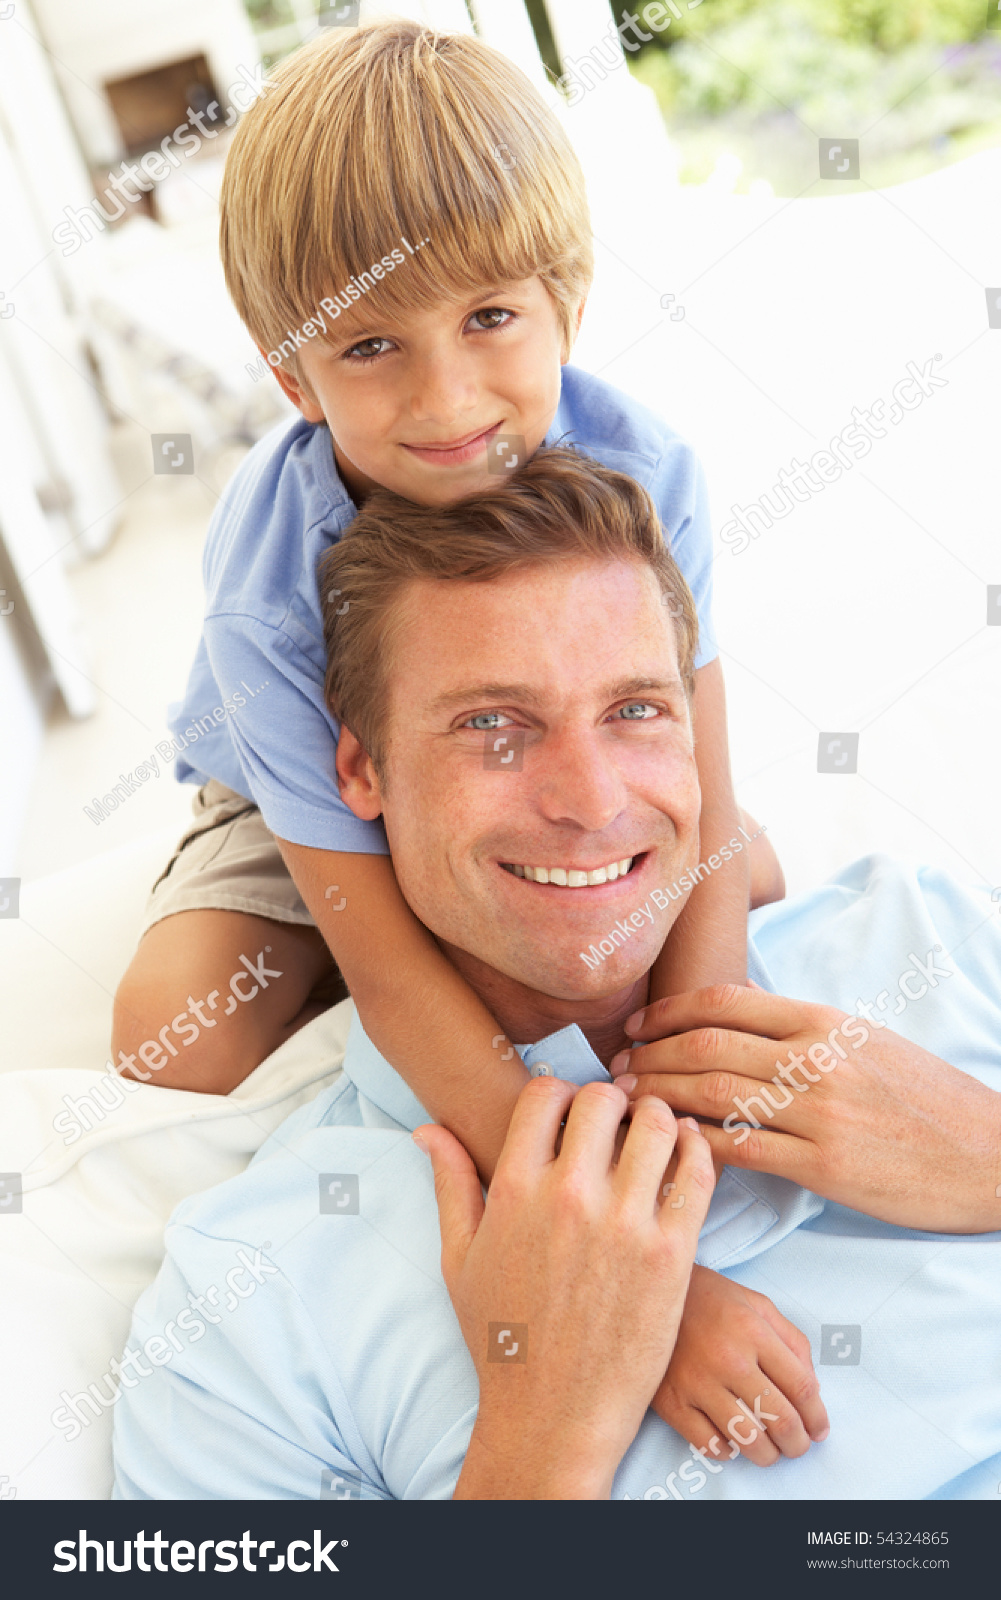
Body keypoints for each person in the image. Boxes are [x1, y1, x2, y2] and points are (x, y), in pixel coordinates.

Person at [112, 452, 1001, 1501]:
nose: (587, 799)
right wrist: (547, 1438)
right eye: (491, 725)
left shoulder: (923, 942)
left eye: (634, 710)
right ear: (359, 770)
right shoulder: (247, 1306)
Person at [109, 19, 780, 1186]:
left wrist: (695, 1090)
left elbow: (697, 767)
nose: (447, 397)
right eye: (370, 343)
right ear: (292, 377)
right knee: (179, 1033)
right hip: (307, 782)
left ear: (563, 307)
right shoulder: (265, 597)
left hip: (540, 740)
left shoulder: (650, 474)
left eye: (488, 318)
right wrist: (569, 1178)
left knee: (721, 883)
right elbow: (381, 974)